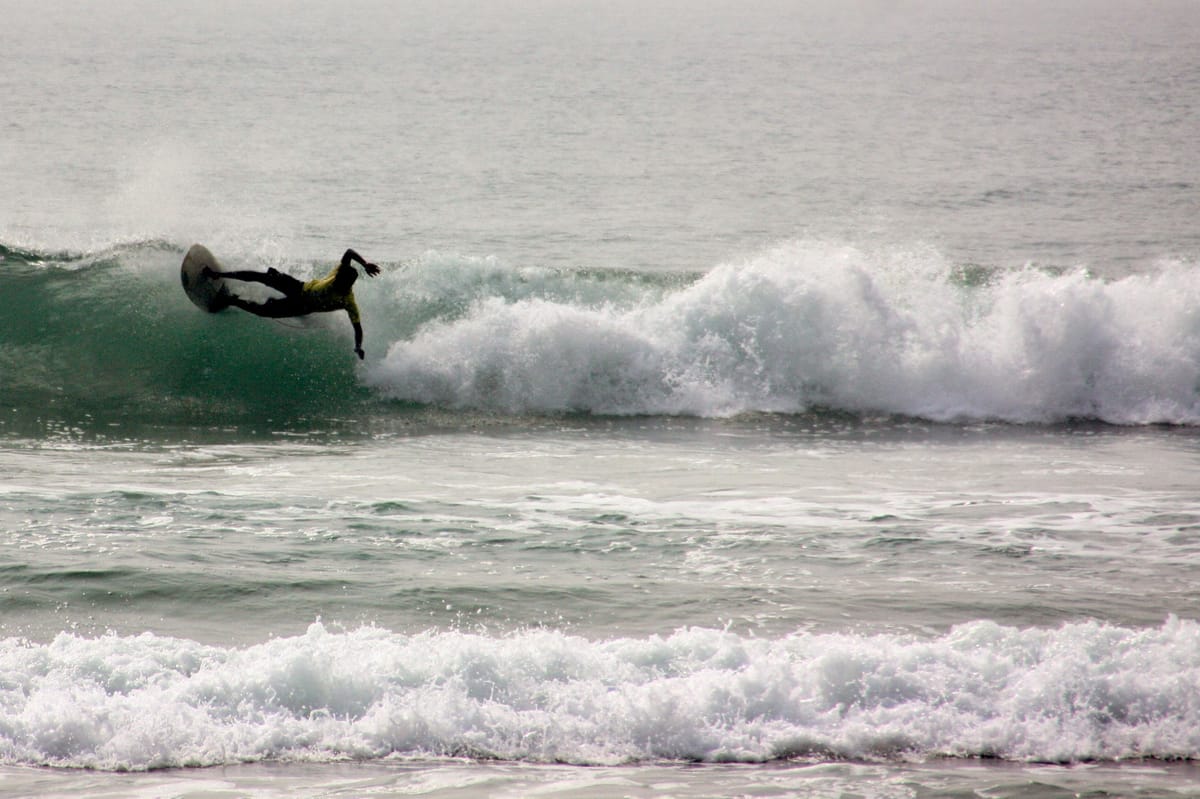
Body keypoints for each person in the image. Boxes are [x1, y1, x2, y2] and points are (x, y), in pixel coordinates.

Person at [208, 249, 381, 359]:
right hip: (299, 287)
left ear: (346, 284)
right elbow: (349, 252)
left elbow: (358, 328)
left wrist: (358, 347)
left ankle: (230, 299)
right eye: (336, 278)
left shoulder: (347, 301)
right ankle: (218, 274)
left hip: (301, 307)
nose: (334, 280)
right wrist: (365, 264)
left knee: (262, 311)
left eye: (338, 281)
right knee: (263, 277)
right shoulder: (340, 272)